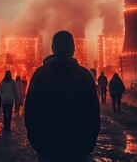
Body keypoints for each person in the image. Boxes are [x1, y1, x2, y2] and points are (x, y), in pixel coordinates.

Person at [25, 30, 100, 161]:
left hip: (48, 149)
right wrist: (88, 144)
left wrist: (38, 144)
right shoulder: (84, 76)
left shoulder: (40, 75)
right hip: (78, 149)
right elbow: (94, 112)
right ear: (73, 49)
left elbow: (30, 112)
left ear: (53, 48)